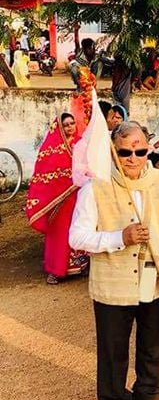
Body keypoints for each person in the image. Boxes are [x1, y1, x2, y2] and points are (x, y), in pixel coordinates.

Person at [68, 121, 159, 400]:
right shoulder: (96, 187)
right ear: (113, 151)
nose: (133, 157)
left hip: (150, 272)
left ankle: (148, 395)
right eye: (125, 151)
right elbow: (76, 237)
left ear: (148, 150)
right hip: (113, 277)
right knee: (114, 345)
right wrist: (120, 236)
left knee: (154, 339)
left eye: (140, 150)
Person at [25, 113, 89, 284]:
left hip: (77, 196)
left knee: (78, 228)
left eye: (72, 123)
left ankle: (79, 266)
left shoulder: (81, 143)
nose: (69, 127)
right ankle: (55, 270)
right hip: (58, 200)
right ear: (59, 127)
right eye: (66, 124)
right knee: (58, 233)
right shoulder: (50, 148)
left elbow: (88, 166)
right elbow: (44, 174)